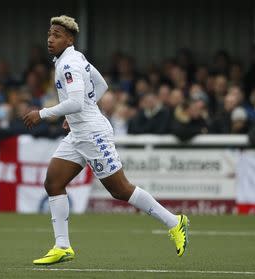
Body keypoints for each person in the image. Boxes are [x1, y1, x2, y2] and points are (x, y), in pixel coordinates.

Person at [23, 15, 189, 265]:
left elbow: (77, 102)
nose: (50, 39)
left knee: (120, 189)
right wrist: (76, 112)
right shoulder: (76, 58)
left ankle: (174, 222)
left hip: (92, 134)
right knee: (53, 182)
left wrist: (43, 113)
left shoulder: (69, 64)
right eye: (49, 33)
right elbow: (101, 85)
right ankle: (62, 246)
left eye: (56, 35)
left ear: (69, 39)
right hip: (79, 132)